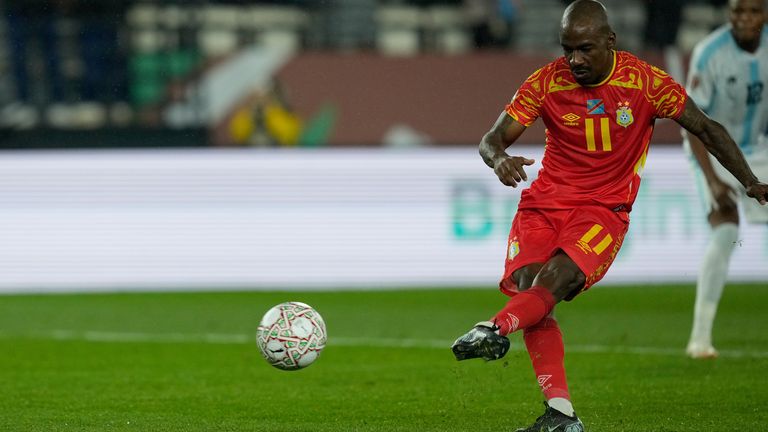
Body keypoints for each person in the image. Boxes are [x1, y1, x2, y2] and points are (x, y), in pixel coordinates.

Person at [449, 1, 768, 431]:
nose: (574, 60)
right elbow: (491, 138)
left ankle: (492, 327)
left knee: (554, 282)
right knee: (530, 290)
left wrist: (748, 180)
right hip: (544, 204)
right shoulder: (546, 82)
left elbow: (706, 127)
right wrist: (498, 158)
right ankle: (561, 415)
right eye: (567, 50)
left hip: (603, 209)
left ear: (610, 42)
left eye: (584, 49)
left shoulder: (646, 83)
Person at [683, 0, 768, 359]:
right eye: (736, 11)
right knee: (725, 230)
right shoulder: (709, 53)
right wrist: (714, 182)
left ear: (764, 14)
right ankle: (699, 339)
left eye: (752, 11)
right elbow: (692, 122)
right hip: (714, 152)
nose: (743, 19)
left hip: (758, 151)